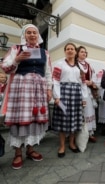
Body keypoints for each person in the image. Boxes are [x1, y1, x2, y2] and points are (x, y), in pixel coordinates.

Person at [0, 24, 53, 169]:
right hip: (21, 88)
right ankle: (18, 153)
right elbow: (5, 67)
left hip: (39, 90)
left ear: (38, 36)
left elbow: (48, 72)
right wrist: (17, 59)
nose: (32, 35)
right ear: (24, 35)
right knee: (21, 118)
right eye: (29, 32)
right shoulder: (16, 49)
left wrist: (49, 89)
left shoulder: (45, 52)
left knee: (34, 118)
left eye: (34, 33)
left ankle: (30, 149)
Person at [52, 43, 85, 158]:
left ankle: (71, 143)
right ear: (65, 51)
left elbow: (83, 83)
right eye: (68, 49)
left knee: (74, 119)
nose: (70, 51)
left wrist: (84, 98)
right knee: (63, 119)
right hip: (64, 94)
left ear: (75, 52)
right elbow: (55, 80)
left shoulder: (80, 67)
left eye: (72, 49)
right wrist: (57, 96)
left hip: (76, 94)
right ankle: (62, 146)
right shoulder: (59, 64)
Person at [76, 46, 98, 143]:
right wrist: (84, 82)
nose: (84, 53)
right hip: (78, 91)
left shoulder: (89, 65)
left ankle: (89, 133)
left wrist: (91, 82)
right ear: (77, 53)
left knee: (89, 110)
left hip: (88, 92)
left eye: (85, 52)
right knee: (80, 111)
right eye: (81, 52)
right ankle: (78, 133)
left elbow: (94, 77)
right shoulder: (75, 64)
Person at [94, 57, 105, 136]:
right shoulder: (102, 71)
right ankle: (104, 128)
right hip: (103, 93)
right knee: (104, 111)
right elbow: (98, 83)